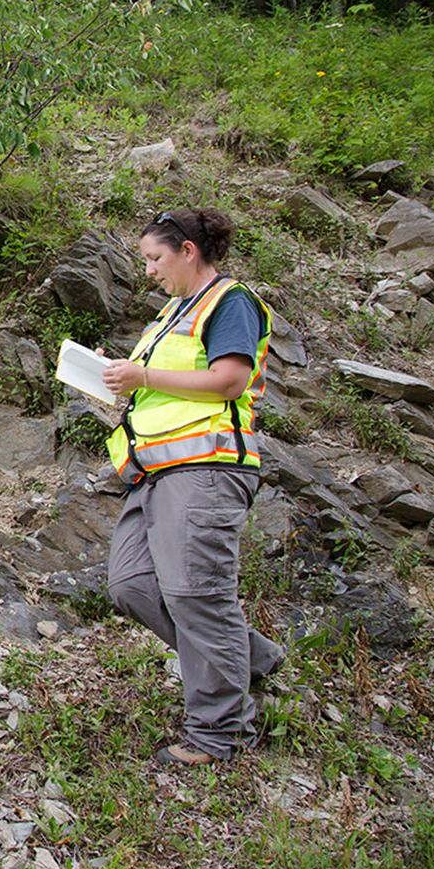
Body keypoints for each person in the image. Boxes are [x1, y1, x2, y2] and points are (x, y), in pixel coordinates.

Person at [101, 209, 285, 766]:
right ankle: (247, 657)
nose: (149, 271)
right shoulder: (166, 317)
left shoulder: (229, 301)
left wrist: (143, 377)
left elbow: (229, 379)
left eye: (155, 259)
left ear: (187, 250)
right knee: (131, 585)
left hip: (205, 469)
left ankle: (221, 734)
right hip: (153, 473)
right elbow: (161, 392)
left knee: (195, 593)